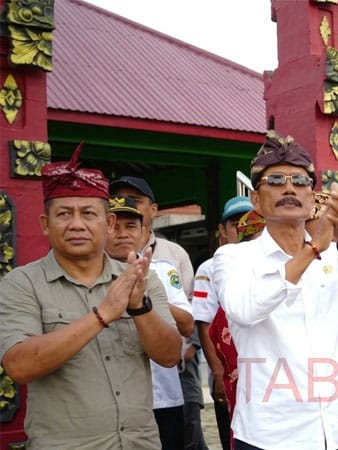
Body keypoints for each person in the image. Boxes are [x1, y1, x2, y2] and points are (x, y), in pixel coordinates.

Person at [212, 130, 338, 449]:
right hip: (272, 434)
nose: (289, 189)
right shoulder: (234, 257)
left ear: (312, 197)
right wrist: (312, 251)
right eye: (276, 180)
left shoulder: (337, 255)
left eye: (299, 182)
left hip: (337, 428)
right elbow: (245, 309)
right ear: (256, 199)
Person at [0, 144, 182, 449]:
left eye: (88, 213)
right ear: (46, 224)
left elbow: (169, 355)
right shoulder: (22, 284)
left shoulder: (138, 279)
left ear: (108, 223)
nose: (77, 224)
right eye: (63, 214)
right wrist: (102, 315)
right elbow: (19, 366)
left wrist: (139, 308)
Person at [108, 175, 207, 449]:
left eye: (131, 225)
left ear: (143, 232)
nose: (122, 233)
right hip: (107, 399)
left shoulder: (164, 268)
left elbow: (188, 325)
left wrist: (145, 297)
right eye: (113, 225)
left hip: (163, 395)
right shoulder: (88, 274)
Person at [193, 195, 254, 449]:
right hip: (230, 371)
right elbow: (204, 323)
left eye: (249, 221)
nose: (243, 227)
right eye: (234, 223)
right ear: (222, 230)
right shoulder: (209, 268)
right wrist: (218, 373)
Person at [109, 175, 195, 298]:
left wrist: (147, 298)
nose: (126, 204)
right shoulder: (98, 254)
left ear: (153, 210)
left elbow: (189, 306)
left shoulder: (174, 253)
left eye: (134, 200)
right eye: (117, 200)